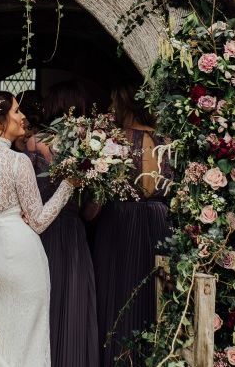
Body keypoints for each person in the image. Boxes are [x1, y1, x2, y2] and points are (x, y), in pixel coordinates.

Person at [0, 90, 74, 367]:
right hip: (20, 256)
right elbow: (38, 220)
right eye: (15, 111)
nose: (23, 116)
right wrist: (69, 184)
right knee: (28, 337)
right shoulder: (17, 161)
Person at [90, 84, 171, 367]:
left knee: (117, 295)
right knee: (154, 296)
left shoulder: (113, 141)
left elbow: (95, 205)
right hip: (159, 223)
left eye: (114, 103)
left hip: (120, 225)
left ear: (124, 106)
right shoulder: (167, 141)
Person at [21, 82, 98, 367]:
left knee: (44, 308)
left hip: (38, 237)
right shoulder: (88, 148)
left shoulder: (31, 144)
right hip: (71, 235)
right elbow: (90, 212)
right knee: (73, 306)